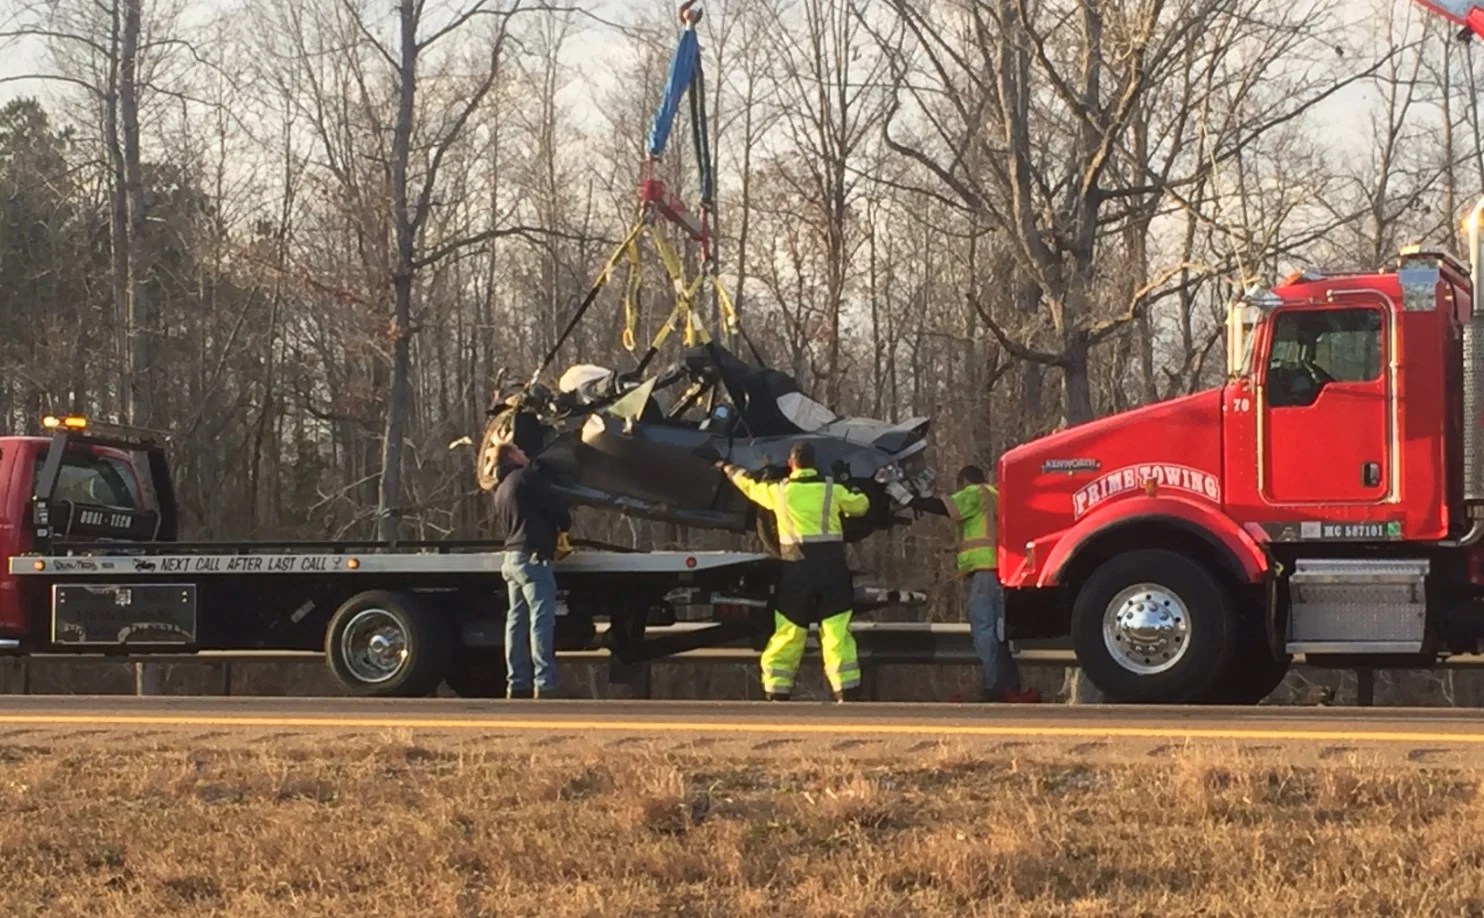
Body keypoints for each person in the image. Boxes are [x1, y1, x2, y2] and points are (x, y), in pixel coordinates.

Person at [716, 442, 869, 702]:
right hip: (832, 569)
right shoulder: (832, 490)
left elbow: (748, 487)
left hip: (796, 569)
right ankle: (846, 689)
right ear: (814, 463)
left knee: (789, 630)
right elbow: (861, 506)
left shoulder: (780, 492)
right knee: (836, 630)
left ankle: (777, 688)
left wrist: (726, 467)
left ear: (791, 463)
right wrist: (852, 485)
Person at [914, 465, 1037, 703]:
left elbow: (946, 508)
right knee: (999, 632)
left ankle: (994, 687)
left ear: (964, 482)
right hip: (1004, 571)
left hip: (984, 572)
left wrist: (911, 500)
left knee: (984, 631)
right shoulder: (996, 494)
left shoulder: (974, 493)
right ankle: (1009, 685)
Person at [492, 441, 572, 699]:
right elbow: (557, 509)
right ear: (513, 455)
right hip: (534, 558)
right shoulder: (527, 477)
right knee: (541, 620)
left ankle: (517, 682)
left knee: (515, 622)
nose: (526, 454)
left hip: (511, 558)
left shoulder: (501, 489)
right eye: (522, 451)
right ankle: (545, 682)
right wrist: (563, 521)